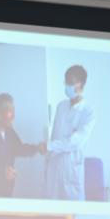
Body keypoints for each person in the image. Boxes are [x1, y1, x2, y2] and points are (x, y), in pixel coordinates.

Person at [44, 65, 97, 200]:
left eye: (71, 82)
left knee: (72, 209)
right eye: (66, 82)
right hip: (54, 166)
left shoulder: (88, 112)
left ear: (81, 85)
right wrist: (48, 156)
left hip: (71, 170)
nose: (67, 86)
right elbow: (55, 136)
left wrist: (49, 146)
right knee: (52, 208)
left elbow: (76, 142)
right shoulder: (61, 106)